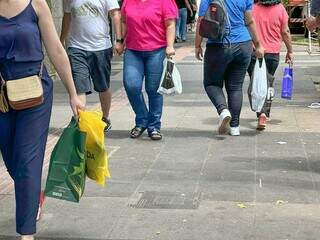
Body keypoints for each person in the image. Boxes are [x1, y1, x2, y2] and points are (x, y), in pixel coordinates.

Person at [0, 0, 84, 239]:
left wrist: (73, 93)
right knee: (13, 160)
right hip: (2, 96)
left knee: (27, 159)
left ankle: (27, 233)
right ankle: (33, 192)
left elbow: (56, 50)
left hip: (35, 92)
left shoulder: (36, 4)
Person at [195, 0, 264, 136]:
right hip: (243, 45)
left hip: (218, 45)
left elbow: (201, 21)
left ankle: (223, 110)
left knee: (211, 83)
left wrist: (197, 45)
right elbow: (249, 21)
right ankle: (235, 127)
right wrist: (258, 44)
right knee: (235, 87)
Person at [60, 0, 123, 132]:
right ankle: (80, 121)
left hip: (101, 47)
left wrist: (119, 40)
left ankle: (105, 118)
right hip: (76, 47)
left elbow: (116, 14)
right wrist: (61, 39)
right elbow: (67, 17)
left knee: (103, 86)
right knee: (80, 86)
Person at [121, 0, 178, 140]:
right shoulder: (128, 1)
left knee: (153, 89)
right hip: (133, 51)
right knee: (131, 85)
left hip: (156, 51)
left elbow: (170, 24)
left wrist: (170, 46)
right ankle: (142, 119)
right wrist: (120, 40)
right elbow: (124, 21)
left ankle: (154, 126)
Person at [247, 0, 293, 130]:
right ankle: (264, 114)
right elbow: (285, 32)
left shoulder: (252, 7)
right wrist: (290, 51)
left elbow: (247, 25)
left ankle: (260, 112)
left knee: (255, 82)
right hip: (272, 53)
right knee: (268, 83)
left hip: (254, 51)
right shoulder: (280, 9)